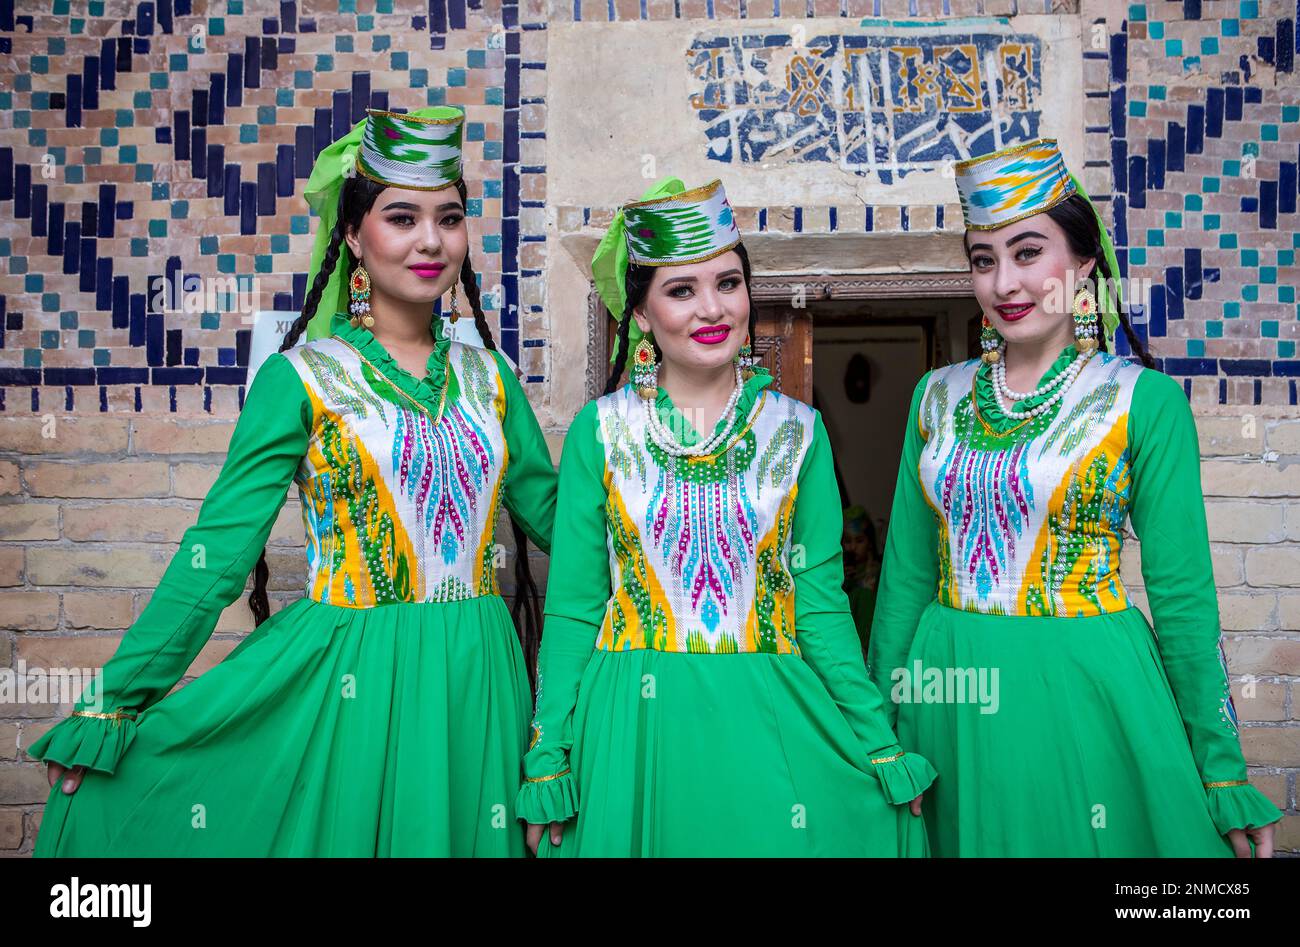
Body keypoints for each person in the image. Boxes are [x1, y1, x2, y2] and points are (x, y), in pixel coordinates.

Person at [29, 106, 558, 856]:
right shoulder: (303, 380)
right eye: (402, 217)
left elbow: (562, 525)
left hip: (479, 673)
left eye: (450, 217)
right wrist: (114, 700)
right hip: (350, 676)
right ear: (352, 235)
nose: (431, 240)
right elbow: (215, 552)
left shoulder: (490, 378)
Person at [868, 138, 1282, 857]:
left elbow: (1183, 596)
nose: (1004, 282)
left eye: (1028, 252)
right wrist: (876, 732)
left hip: (1086, 683)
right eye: (983, 259)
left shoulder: (1142, 402)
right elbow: (905, 578)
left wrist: (1221, 772)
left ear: (1083, 265)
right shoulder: (936, 396)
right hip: (948, 687)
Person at [516, 177, 934, 856]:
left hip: (768, 710)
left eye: (728, 283)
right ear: (643, 315)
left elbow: (821, 609)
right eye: (681, 290)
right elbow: (573, 608)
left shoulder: (800, 432)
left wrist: (880, 743)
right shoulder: (602, 431)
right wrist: (548, 754)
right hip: (634, 720)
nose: (712, 307)